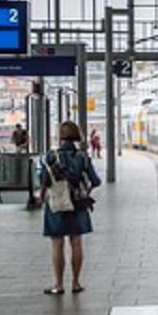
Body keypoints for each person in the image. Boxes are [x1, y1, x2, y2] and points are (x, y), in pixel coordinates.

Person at [39, 120, 101, 295]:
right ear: (77, 135)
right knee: (76, 242)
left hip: (56, 205)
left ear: (60, 136)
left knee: (57, 244)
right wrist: (84, 189)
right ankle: (75, 283)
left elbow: (42, 180)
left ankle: (58, 285)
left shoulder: (50, 156)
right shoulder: (82, 157)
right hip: (78, 205)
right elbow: (96, 181)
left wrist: (43, 193)